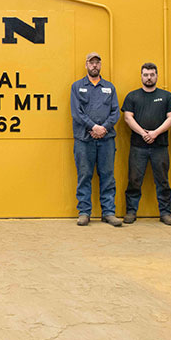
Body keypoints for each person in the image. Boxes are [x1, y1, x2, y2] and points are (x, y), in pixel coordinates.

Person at [121, 63, 171, 225]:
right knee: (134, 180)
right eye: (145, 74)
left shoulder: (167, 96)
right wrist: (143, 133)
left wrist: (155, 133)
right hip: (138, 146)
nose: (149, 77)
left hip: (160, 146)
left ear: (157, 76)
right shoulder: (132, 96)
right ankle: (131, 212)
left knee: (163, 181)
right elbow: (127, 117)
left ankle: (165, 213)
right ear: (141, 76)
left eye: (152, 74)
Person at [70, 52, 122, 226]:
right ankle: (84, 212)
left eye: (97, 63)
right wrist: (93, 127)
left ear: (100, 65)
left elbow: (116, 112)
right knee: (84, 175)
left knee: (107, 176)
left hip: (106, 140)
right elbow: (77, 113)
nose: (94, 66)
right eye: (91, 63)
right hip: (84, 140)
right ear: (86, 65)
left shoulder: (109, 87)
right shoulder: (77, 87)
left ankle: (108, 212)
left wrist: (104, 128)